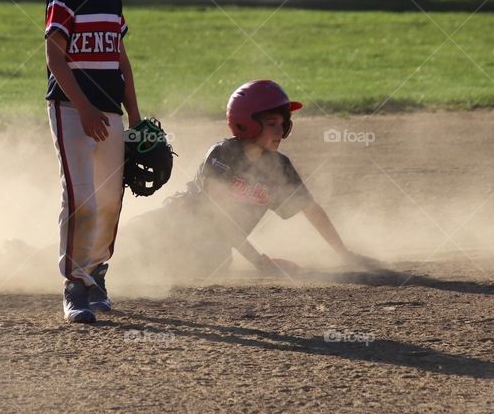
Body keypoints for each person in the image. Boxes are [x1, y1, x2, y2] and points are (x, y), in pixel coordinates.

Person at [133, 80, 378, 277]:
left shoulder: (279, 167)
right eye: (271, 123)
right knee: (120, 245)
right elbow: (217, 216)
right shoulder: (223, 155)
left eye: (284, 124)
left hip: (210, 250)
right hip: (171, 226)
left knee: (213, 258)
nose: (279, 131)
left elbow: (311, 209)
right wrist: (260, 262)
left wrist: (343, 253)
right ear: (245, 125)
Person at [44, 0, 140, 324]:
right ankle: (74, 283)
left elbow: (121, 58)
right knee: (81, 195)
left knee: (110, 199)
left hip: (109, 111)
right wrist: (82, 108)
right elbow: (54, 55)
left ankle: (97, 272)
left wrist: (135, 115)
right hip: (70, 109)